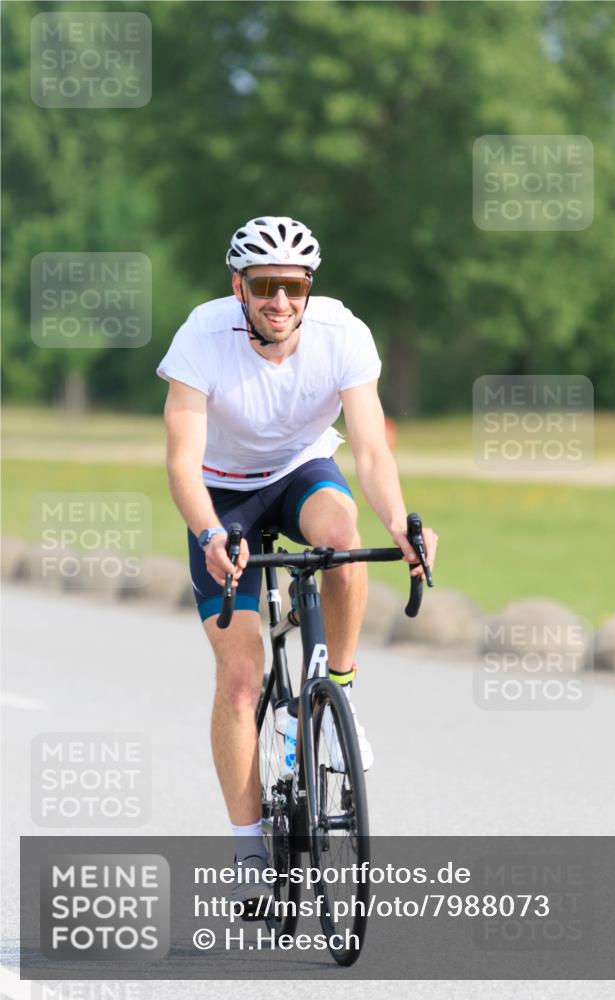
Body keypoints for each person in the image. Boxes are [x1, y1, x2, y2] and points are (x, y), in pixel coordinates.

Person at [157, 216, 438, 901]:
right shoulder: (201, 335)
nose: (278, 300)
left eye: (292, 285)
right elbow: (180, 461)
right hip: (222, 493)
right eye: (263, 286)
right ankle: (248, 850)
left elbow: (370, 451)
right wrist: (207, 535)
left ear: (308, 288)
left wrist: (399, 522)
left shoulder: (343, 332)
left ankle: (336, 690)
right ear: (239, 287)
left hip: (302, 470)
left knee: (343, 544)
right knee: (242, 679)